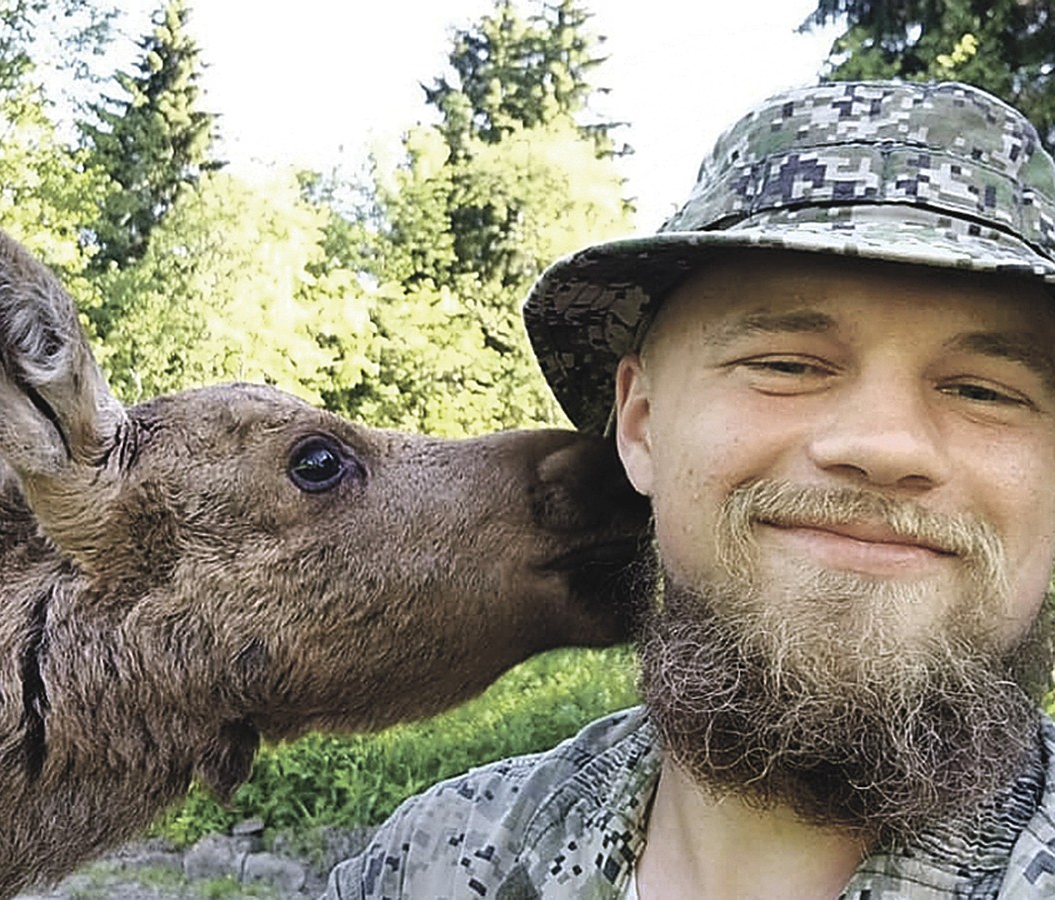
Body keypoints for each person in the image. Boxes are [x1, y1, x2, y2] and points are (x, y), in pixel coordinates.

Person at [325, 81, 1055, 899]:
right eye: (785, 364)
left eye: (984, 391)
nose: (885, 447)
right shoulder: (426, 865)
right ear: (639, 425)